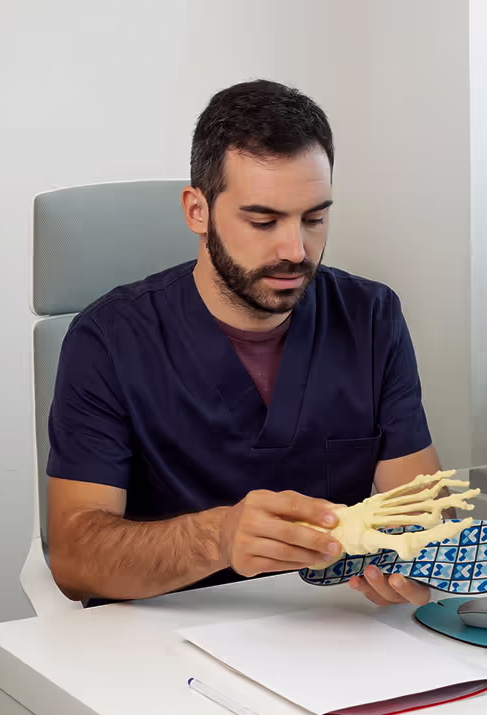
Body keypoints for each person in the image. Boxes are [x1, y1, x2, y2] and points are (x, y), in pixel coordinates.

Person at [47, 79, 449, 610]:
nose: (294, 249)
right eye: (263, 220)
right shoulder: (108, 340)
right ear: (197, 210)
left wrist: (423, 562)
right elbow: (75, 560)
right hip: (161, 634)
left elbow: (422, 511)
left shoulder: (370, 318)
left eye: (315, 218)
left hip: (332, 625)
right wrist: (218, 538)